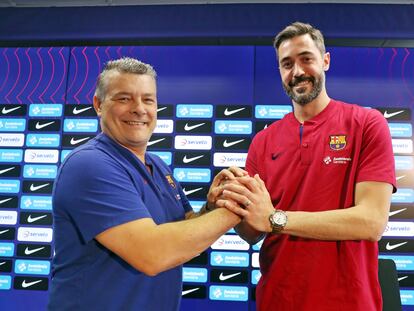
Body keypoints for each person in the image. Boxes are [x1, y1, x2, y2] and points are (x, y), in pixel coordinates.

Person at [217, 22, 396, 310]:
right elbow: (251, 233)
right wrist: (229, 204)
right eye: (286, 64)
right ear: (279, 72)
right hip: (278, 299)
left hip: (348, 301)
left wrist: (276, 218)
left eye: (306, 59)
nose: (297, 71)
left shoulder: (366, 124)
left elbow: (372, 222)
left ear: (325, 61)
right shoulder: (263, 141)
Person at [48, 57, 243, 311]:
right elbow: (152, 254)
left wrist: (213, 207)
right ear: (98, 104)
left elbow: (183, 230)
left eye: (148, 99)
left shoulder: (159, 166)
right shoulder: (88, 165)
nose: (139, 109)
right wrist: (238, 208)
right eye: (124, 98)